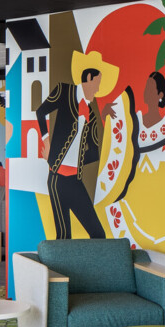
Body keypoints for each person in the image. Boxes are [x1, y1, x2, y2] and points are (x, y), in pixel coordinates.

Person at [36, 51, 116, 239]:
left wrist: (102, 116)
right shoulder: (65, 91)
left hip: (75, 180)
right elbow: (41, 112)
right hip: (56, 178)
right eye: (97, 83)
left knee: (98, 234)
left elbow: (93, 152)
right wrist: (47, 142)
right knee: (64, 236)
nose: (97, 89)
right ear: (88, 79)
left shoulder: (91, 114)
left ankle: (94, 268)